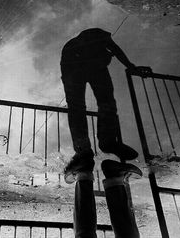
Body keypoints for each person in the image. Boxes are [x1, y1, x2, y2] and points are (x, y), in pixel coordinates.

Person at [60, 28, 151, 182]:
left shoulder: (98, 62)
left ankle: (106, 142)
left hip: (84, 62)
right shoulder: (93, 38)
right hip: (72, 62)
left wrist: (130, 66)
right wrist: (130, 65)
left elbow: (112, 51)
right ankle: (84, 151)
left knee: (106, 102)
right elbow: (114, 48)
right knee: (78, 107)